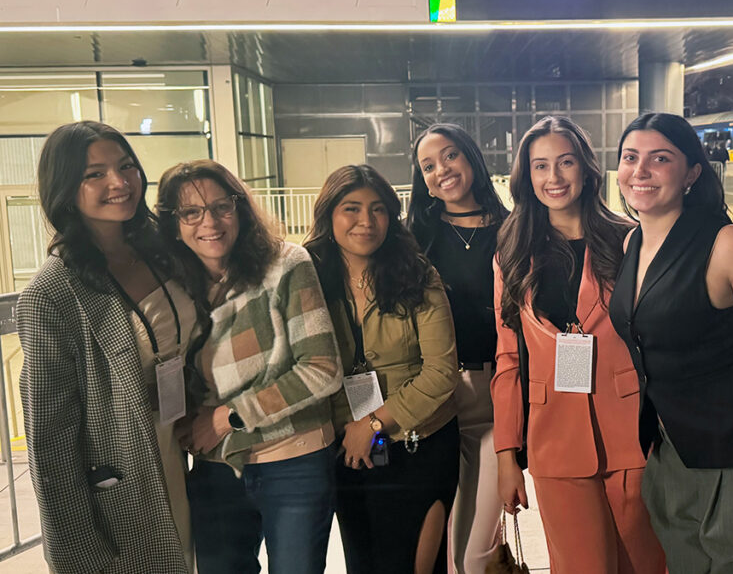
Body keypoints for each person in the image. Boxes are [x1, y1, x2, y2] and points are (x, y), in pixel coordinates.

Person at [607, 113, 733, 574]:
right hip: (671, 447)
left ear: (692, 172)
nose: (641, 171)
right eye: (631, 158)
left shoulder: (726, 244)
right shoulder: (633, 241)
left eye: (660, 159)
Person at [17, 121, 195, 574]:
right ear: (64, 187)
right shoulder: (53, 293)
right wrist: (78, 554)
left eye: (126, 166)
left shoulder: (158, 250)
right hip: (123, 490)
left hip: (180, 457)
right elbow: (50, 444)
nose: (119, 183)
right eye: (94, 174)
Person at [492, 116, 665, 574]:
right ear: (526, 177)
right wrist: (507, 457)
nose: (554, 177)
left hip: (633, 434)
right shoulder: (511, 253)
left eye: (565, 162)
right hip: (554, 441)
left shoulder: (630, 239)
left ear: (587, 169)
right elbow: (508, 360)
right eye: (540, 166)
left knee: (645, 566)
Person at [157, 160, 343, 574]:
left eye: (222, 206)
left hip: (293, 458)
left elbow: (321, 368)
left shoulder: (286, 263)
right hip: (216, 465)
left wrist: (226, 418)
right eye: (191, 212)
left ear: (240, 208)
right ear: (173, 224)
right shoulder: (172, 287)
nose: (210, 222)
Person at [304, 164, 460, 574]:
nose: (366, 222)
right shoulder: (309, 278)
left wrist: (371, 424)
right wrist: (349, 430)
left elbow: (441, 372)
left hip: (418, 442)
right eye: (351, 209)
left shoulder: (417, 274)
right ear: (329, 215)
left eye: (378, 210)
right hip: (347, 452)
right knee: (364, 562)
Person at [407, 124, 510, 573]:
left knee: (475, 548)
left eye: (449, 156)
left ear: (471, 158)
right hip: (438, 398)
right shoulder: (415, 239)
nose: (441, 171)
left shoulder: (515, 229)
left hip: (501, 391)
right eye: (427, 166)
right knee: (446, 536)